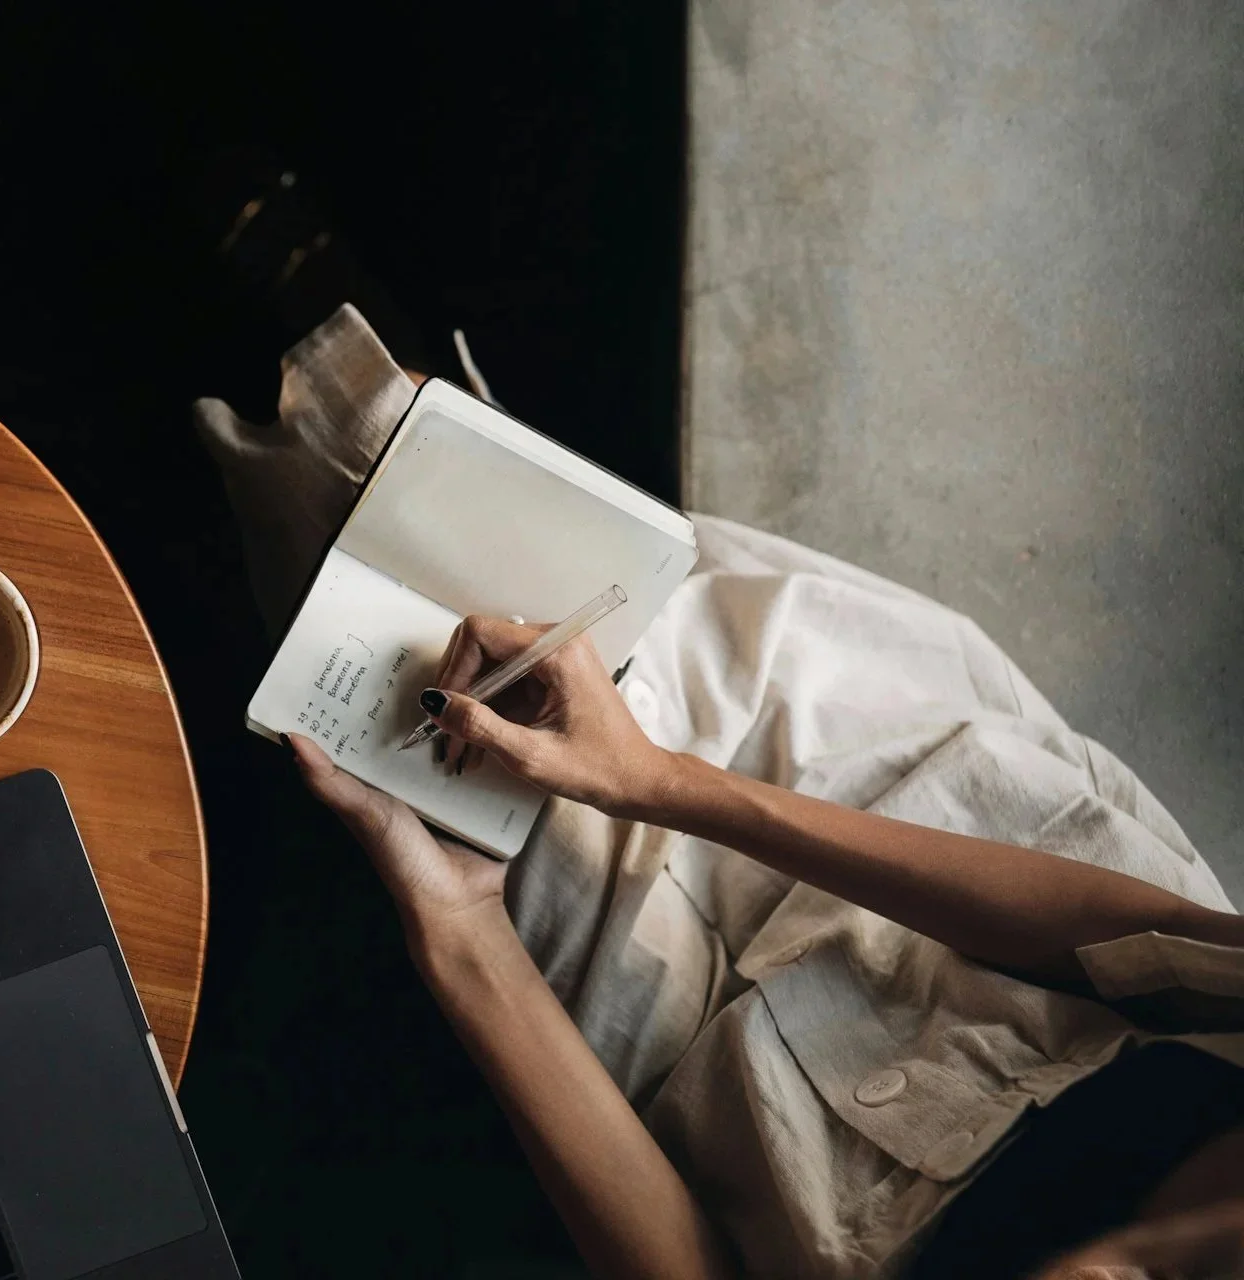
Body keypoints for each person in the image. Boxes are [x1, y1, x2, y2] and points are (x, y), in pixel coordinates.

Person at [195, 307, 1244, 1279]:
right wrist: (663, 781)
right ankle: (307, 291)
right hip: (900, 829)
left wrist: (462, 926)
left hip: (722, 1104)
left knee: (376, 646)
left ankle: (250, 401)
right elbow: (1136, 935)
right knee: (467, 498)